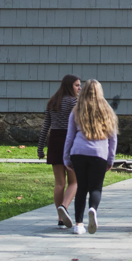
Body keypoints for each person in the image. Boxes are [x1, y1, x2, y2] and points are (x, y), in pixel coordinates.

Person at [62, 79, 118, 235]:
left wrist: (66, 158)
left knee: (81, 187)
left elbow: (69, 136)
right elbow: (113, 139)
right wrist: (110, 159)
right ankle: (93, 209)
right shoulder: (108, 111)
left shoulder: (76, 110)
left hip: (78, 152)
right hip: (99, 153)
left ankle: (79, 225)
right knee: (95, 187)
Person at [38, 74, 80, 228]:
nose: (79, 88)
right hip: (70, 140)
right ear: (70, 86)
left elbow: (45, 126)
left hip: (54, 140)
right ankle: (65, 207)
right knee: (74, 182)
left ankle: (60, 218)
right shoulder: (75, 102)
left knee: (59, 183)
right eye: (77, 85)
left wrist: (40, 147)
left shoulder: (52, 102)